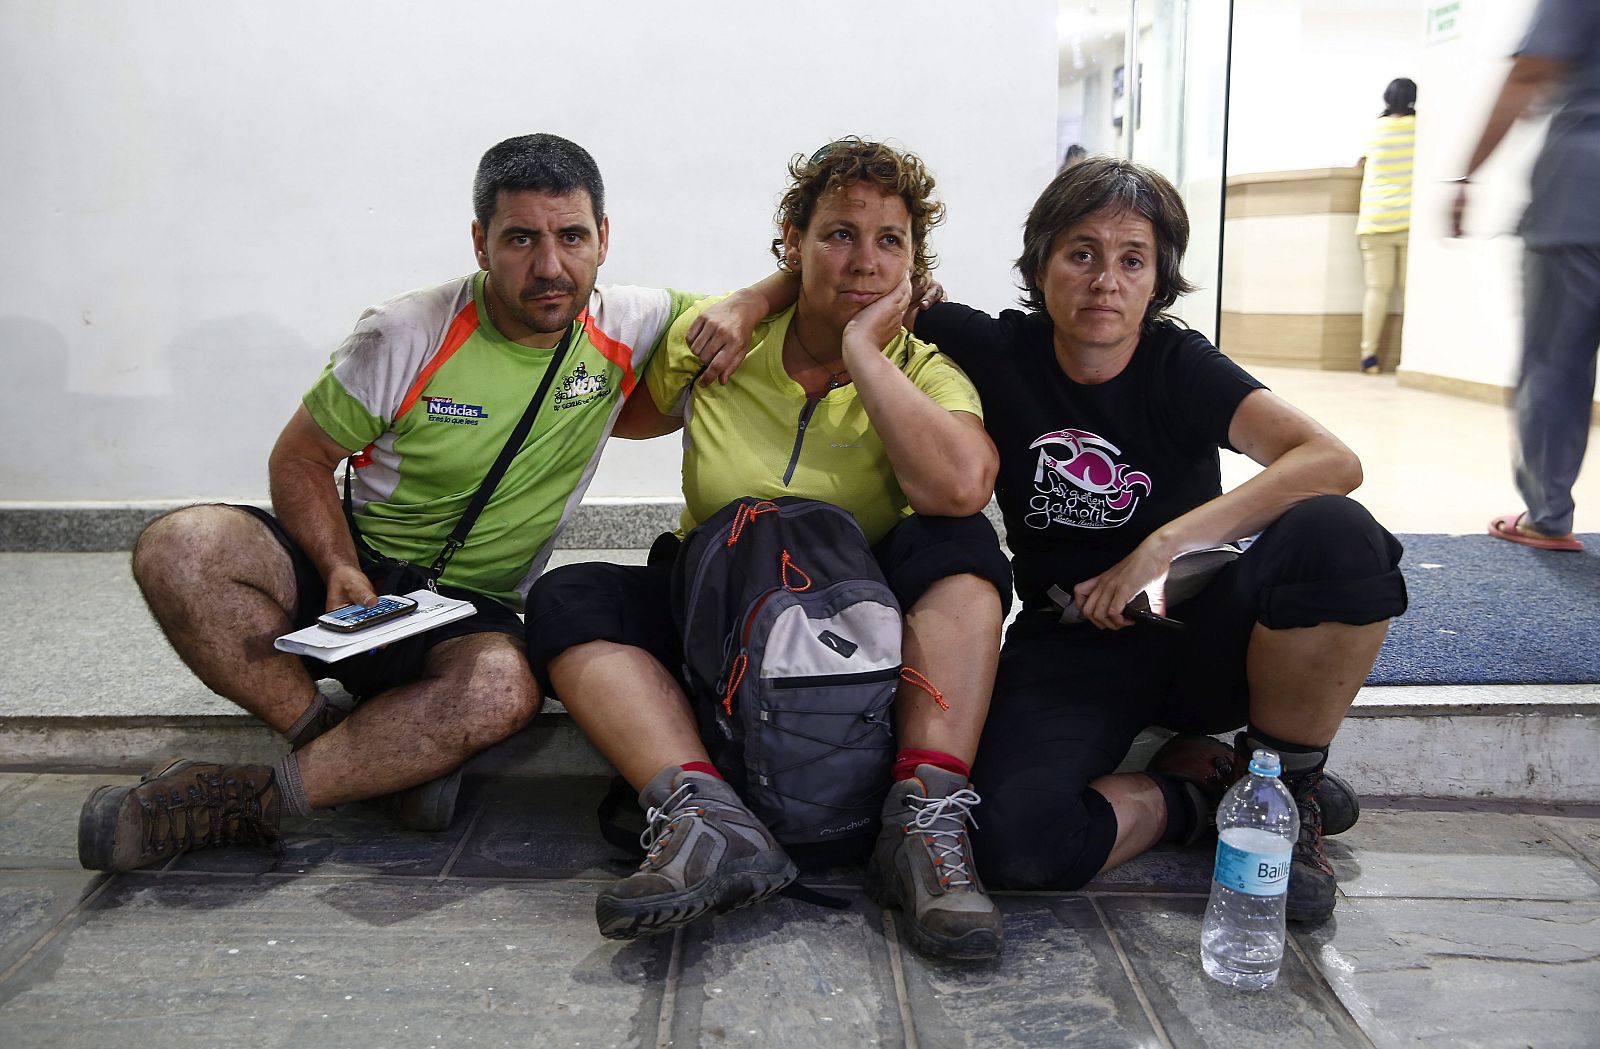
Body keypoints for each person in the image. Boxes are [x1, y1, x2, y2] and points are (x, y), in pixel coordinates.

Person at [75, 133, 788, 873]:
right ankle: (345, 744)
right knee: (181, 546)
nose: (551, 266)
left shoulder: (631, 323)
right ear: (480, 243)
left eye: (572, 236)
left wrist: (864, 296)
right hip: (348, 572)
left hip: (468, 608)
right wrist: (338, 564)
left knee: (506, 686)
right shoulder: (405, 331)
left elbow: (798, 287)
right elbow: (302, 458)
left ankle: (256, 798)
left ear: (604, 238)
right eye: (521, 239)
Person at [524, 139, 1014, 960]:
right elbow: (630, 412)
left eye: (889, 240)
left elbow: (962, 487)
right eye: (838, 234)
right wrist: (754, 302)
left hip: (852, 621)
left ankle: (923, 820)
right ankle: (706, 822)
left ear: (915, 262)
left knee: (962, 546)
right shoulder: (719, 340)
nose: (864, 260)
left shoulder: (924, 372)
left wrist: (864, 351)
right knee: (569, 597)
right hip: (718, 604)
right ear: (793, 238)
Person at [910, 156, 1408, 924]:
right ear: (1041, 265)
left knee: (1335, 533)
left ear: (1157, 279)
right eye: (1082, 253)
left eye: (1132, 259)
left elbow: (1331, 461)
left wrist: (1161, 547)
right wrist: (749, 302)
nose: (1106, 279)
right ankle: (1206, 793)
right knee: (1017, 845)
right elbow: (857, 285)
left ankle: (1289, 788)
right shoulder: (995, 349)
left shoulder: (1181, 365)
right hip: (1072, 642)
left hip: (1202, 635)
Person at [1451, 0, 1599, 553]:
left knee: (1556, 364)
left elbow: (1533, 70)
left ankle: (1548, 516)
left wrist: (1469, 172)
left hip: (1582, 199)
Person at [1355, 77, 1417, 375]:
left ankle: (1369, 356)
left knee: (1377, 290)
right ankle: (1411, 358)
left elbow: (1361, 163)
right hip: (1408, 219)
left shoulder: (1375, 129)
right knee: (1409, 292)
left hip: (1374, 218)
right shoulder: (1420, 129)